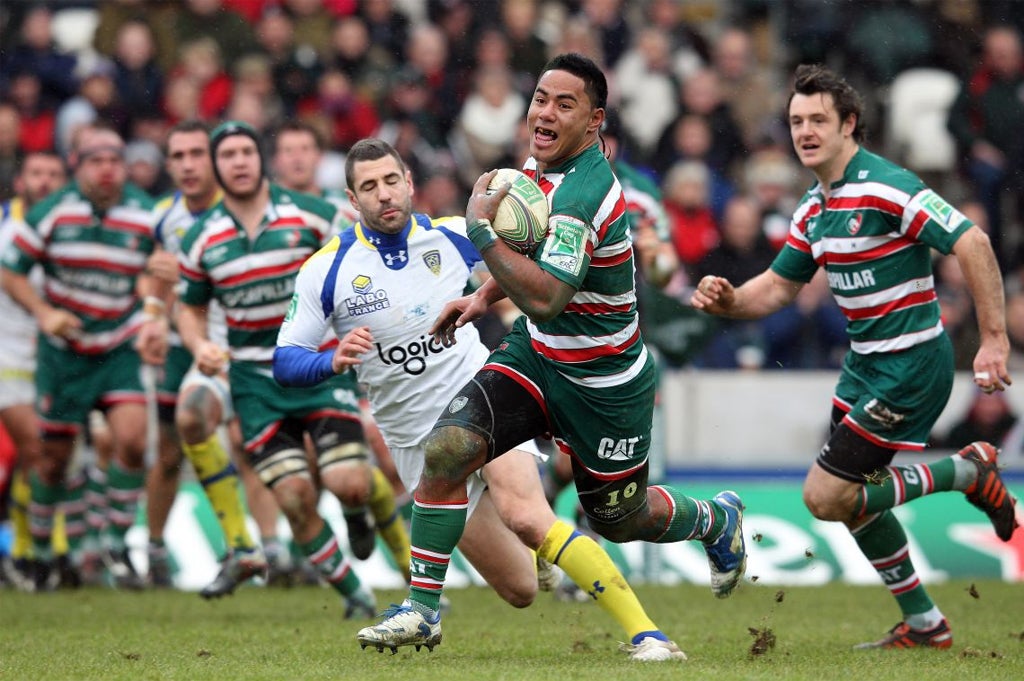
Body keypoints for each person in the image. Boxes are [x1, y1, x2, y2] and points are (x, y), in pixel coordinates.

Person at [345, 53, 747, 656]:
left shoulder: (587, 193)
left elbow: (550, 296)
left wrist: (481, 233)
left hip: (603, 379)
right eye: (540, 98)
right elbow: (531, 277)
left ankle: (716, 521)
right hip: (535, 356)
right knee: (450, 446)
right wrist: (483, 295)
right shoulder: (538, 164)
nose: (545, 112)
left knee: (620, 518)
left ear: (595, 122)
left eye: (565, 104)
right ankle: (422, 609)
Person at [274, 137, 685, 661]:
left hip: (483, 400)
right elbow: (285, 361)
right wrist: (331, 361)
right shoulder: (327, 270)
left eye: (391, 180)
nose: (384, 195)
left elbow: (523, 275)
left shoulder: (451, 238)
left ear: (410, 183)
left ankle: (647, 635)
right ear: (352, 201)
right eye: (369, 187)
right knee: (521, 591)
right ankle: (534, 562)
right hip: (415, 443)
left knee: (528, 516)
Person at [691, 64, 1020, 650]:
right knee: (851, 501)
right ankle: (926, 625)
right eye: (796, 121)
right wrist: (729, 301)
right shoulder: (815, 209)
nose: (805, 130)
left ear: (849, 125)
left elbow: (972, 240)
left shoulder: (886, 186)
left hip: (911, 364)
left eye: (818, 119)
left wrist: (995, 338)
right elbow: (778, 288)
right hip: (865, 367)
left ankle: (966, 471)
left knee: (824, 496)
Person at [175, 120, 375, 617]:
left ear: (262, 158)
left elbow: (357, 267)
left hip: (317, 365)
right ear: (215, 167)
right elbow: (191, 308)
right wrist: (198, 344)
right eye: (228, 156)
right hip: (254, 382)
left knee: (349, 481)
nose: (238, 162)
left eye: (246, 151)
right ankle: (357, 595)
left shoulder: (312, 215)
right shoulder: (201, 237)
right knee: (293, 497)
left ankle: (356, 510)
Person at [1, 123, 167, 590]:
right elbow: (11, 273)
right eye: (97, 160)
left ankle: (114, 542)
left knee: (133, 441)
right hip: (64, 353)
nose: (108, 169)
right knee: (50, 460)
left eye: (115, 159)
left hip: (117, 346)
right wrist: (43, 311)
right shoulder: (53, 212)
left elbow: (161, 271)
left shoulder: (144, 213)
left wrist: (154, 312)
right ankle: (36, 552)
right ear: (79, 166)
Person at [145, 119, 286, 594]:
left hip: (252, 352)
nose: (187, 166)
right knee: (169, 451)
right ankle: (157, 549)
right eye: (177, 157)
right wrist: (151, 318)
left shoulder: (266, 210)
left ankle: (267, 550)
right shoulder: (167, 218)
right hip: (192, 350)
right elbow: (158, 281)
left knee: (253, 447)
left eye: (196, 155)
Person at [269, 119, 411, 581]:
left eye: (304, 147)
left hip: (339, 358)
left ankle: (378, 534)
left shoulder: (340, 216)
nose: (295, 158)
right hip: (276, 356)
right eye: (286, 149)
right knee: (296, 471)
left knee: (346, 476)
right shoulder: (260, 217)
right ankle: (292, 554)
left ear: (317, 157)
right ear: (277, 160)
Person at [0, 151, 68, 590]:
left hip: (58, 357)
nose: (44, 181)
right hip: (7, 356)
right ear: (21, 180)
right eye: (36, 173)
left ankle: (31, 552)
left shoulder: (72, 230)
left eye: (53, 174)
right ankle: (44, 551)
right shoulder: (4, 223)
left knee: (50, 458)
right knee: (35, 448)